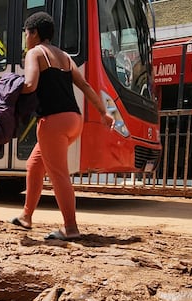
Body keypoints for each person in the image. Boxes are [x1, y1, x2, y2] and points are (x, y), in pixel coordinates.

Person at [9, 12, 116, 240]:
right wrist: (104, 113)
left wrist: (8, 94)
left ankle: (71, 227)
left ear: (34, 33)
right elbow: (85, 85)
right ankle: (26, 217)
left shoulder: (35, 53)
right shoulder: (66, 57)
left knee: (58, 175)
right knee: (35, 165)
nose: (25, 38)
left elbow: (29, 84)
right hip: (73, 121)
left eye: (26, 34)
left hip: (52, 122)